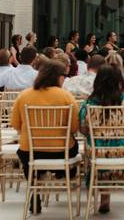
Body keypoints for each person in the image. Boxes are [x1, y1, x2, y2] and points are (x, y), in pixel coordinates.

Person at [10, 58, 79, 214]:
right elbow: (74, 128)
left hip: (31, 151)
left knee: (25, 154)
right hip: (61, 152)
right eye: (64, 76)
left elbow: (15, 124)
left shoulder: (24, 96)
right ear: (58, 77)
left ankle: (35, 186)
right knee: (75, 146)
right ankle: (62, 173)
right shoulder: (66, 97)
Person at [79, 64, 124, 215]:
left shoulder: (89, 104)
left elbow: (83, 129)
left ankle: (104, 198)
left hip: (99, 153)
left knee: (98, 151)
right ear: (120, 81)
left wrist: (102, 134)